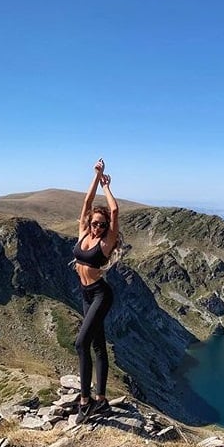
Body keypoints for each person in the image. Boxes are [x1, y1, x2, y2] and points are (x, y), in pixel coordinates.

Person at [72, 158, 120, 424]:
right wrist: (96, 176)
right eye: (95, 223)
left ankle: (85, 401)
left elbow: (114, 212)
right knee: (98, 347)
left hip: (101, 294)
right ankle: (101, 400)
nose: (98, 227)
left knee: (81, 344)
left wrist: (108, 187)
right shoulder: (83, 233)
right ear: (90, 223)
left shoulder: (105, 243)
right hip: (85, 294)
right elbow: (86, 205)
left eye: (102, 225)